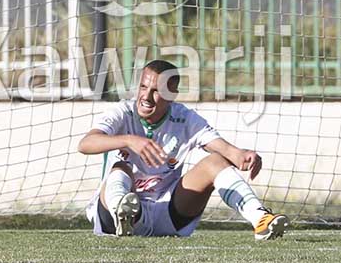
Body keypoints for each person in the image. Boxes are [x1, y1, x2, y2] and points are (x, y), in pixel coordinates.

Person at [78, 60, 287, 239]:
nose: (146, 97)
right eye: (143, 87)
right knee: (121, 168)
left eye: (156, 91)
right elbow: (85, 144)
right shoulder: (122, 112)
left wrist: (242, 155)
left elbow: (225, 149)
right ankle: (122, 214)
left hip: (168, 214)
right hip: (117, 215)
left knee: (216, 161)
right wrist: (129, 140)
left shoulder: (184, 118)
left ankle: (261, 219)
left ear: (171, 95)